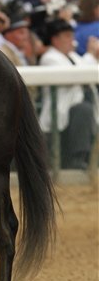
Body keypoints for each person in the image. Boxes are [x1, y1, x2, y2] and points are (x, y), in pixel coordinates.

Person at [38, 19, 99, 170]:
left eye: (71, 35)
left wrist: (93, 56)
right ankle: (78, 160)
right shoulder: (49, 57)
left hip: (78, 118)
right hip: (61, 119)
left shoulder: (73, 56)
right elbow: (78, 74)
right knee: (83, 110)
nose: (71, 39)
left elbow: (89, 69)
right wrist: (91, 54)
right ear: (55, 39)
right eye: (66, 36)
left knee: (85, 110)